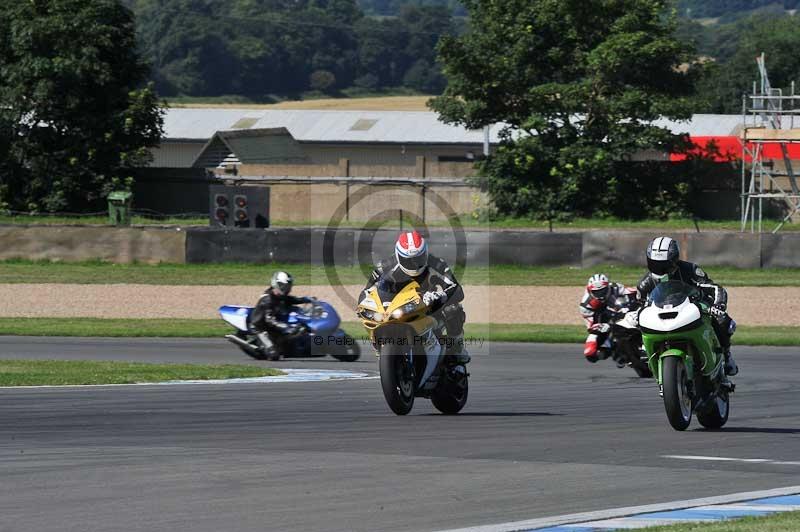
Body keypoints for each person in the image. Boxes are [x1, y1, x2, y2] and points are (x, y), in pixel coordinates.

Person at [362, 230, 469, 365]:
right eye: (408, 260)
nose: (414, 264)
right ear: (398, 255)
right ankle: (379, 347)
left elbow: (458, 290)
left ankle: (457, 348)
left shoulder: (437, 264)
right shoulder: (384, 267)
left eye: (418, 259)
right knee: (372, 316)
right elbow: (367, 291)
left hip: (429, 306)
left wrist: (440, 296)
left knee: (453, 309)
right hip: (398, 306)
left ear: (425, 252)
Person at [637, 236, 738, 376]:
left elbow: (713, 288)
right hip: (664, 313)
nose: (659, 268)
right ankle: (647, 351)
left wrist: (718, 305)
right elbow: (639, 304)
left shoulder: (690, 269)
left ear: (674, 260)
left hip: (693, 306)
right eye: (655, 263)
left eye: (664, 264)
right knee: (638, 322)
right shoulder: (645, 282)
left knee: (723, 321)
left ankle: (727, 356)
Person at [250, 271, 314, 358]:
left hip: (273, 326)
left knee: (295, 334)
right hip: (260, 328)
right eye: (283, 286)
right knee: (274, 355)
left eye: (287, 286)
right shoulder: (268, 299)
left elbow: (291, 299)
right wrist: (286, 327)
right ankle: (263, 350)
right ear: (276, 284)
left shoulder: (280, 295)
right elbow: (270, 320)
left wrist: (306, 299)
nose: (286, 289)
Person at [579, 273, 638, 364]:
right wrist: (601, 326)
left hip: (620, 310)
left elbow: (631, 291)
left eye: (603, 291)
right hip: (601, 320)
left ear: (608, 287)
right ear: (590, 291)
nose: (600, 295)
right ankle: (609, 350)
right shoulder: (586, 305)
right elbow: (590, 326)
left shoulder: (615, 287)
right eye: (596, 292)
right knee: (589, 353)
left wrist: (637, 297)